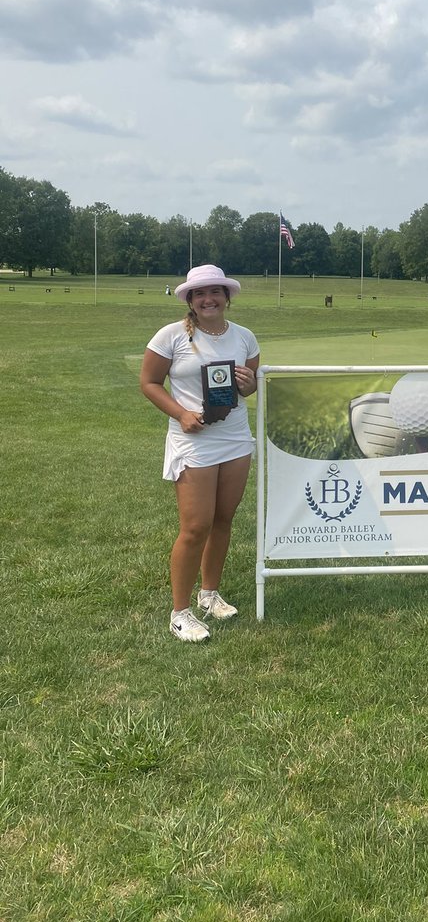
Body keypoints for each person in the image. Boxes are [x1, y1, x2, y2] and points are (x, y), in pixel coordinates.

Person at [140, 265, 260, 642]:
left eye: (215, 293)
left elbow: (250, 388)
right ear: (190, 300)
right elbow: (149, 382)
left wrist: (249, 383)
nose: (209, 299)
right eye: (200, 294)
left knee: (223, 519)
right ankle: (180, 613)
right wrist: (181, 414)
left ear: (227, 297)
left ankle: (209, 595)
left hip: (235, 438)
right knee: (195, 527)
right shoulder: (171, 336)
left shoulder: (244, 337)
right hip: (193, 439)